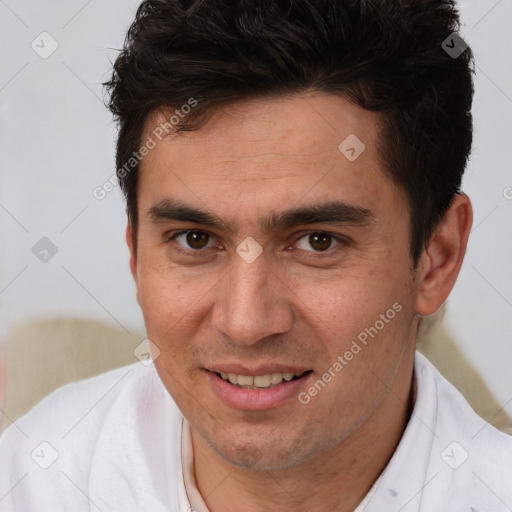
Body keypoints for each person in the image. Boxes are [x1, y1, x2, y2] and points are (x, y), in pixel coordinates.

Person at [1, 0, 511, 511]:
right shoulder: (31, 483)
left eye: (318, 241)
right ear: (135, 255)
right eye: (194, 240)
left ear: (438, 257)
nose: (246, 322)